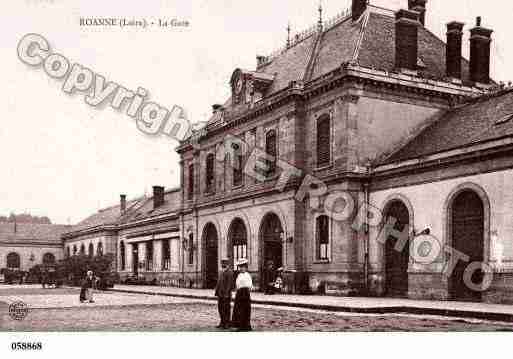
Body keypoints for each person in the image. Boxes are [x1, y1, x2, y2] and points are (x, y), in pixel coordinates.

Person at [232, 259, 253, 331]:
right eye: (240, 267)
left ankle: (246, 325)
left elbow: (250, 286)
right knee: (238, 309)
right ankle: (240, 325)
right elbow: (237, 285)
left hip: (245, 293)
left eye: (243, 267)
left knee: (245, 309)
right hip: (239, 293)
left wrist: (246, 291)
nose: (241, 268)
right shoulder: (239, 275)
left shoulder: (247, 275)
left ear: (246, 267)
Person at [214, 259, 234, 329]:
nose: (223, 264)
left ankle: (227, 323)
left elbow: (229, 284)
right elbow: (218, 282)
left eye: (224, 263)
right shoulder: (220, 271)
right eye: (222, 263)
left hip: (226, 294)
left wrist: (227, 293)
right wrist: (216, 291)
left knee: (226, 309)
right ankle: (222, 322)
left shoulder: (230, 272)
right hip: (220, 294)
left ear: (227, 264)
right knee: (220, 308)